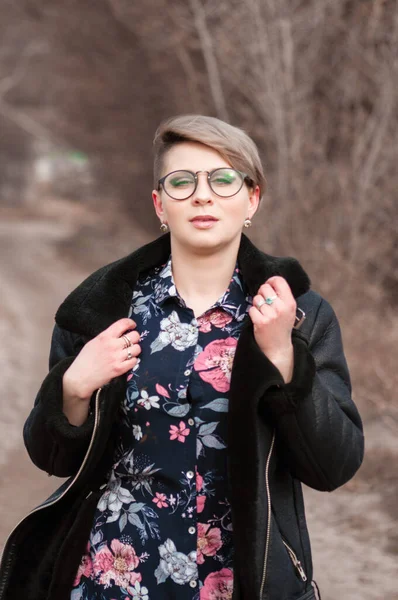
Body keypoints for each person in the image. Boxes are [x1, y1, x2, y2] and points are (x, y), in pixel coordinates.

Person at [0, 115, 364, 600]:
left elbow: (333, 466)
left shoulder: (299, 316)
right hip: (115, 577)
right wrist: (72, 388)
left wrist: (283, 359)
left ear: (251, 198)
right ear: (159, 204)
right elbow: (51, 456)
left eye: (223, 178)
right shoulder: (102, 310)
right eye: (182, 181)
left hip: (241, 581)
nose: (202, 194)